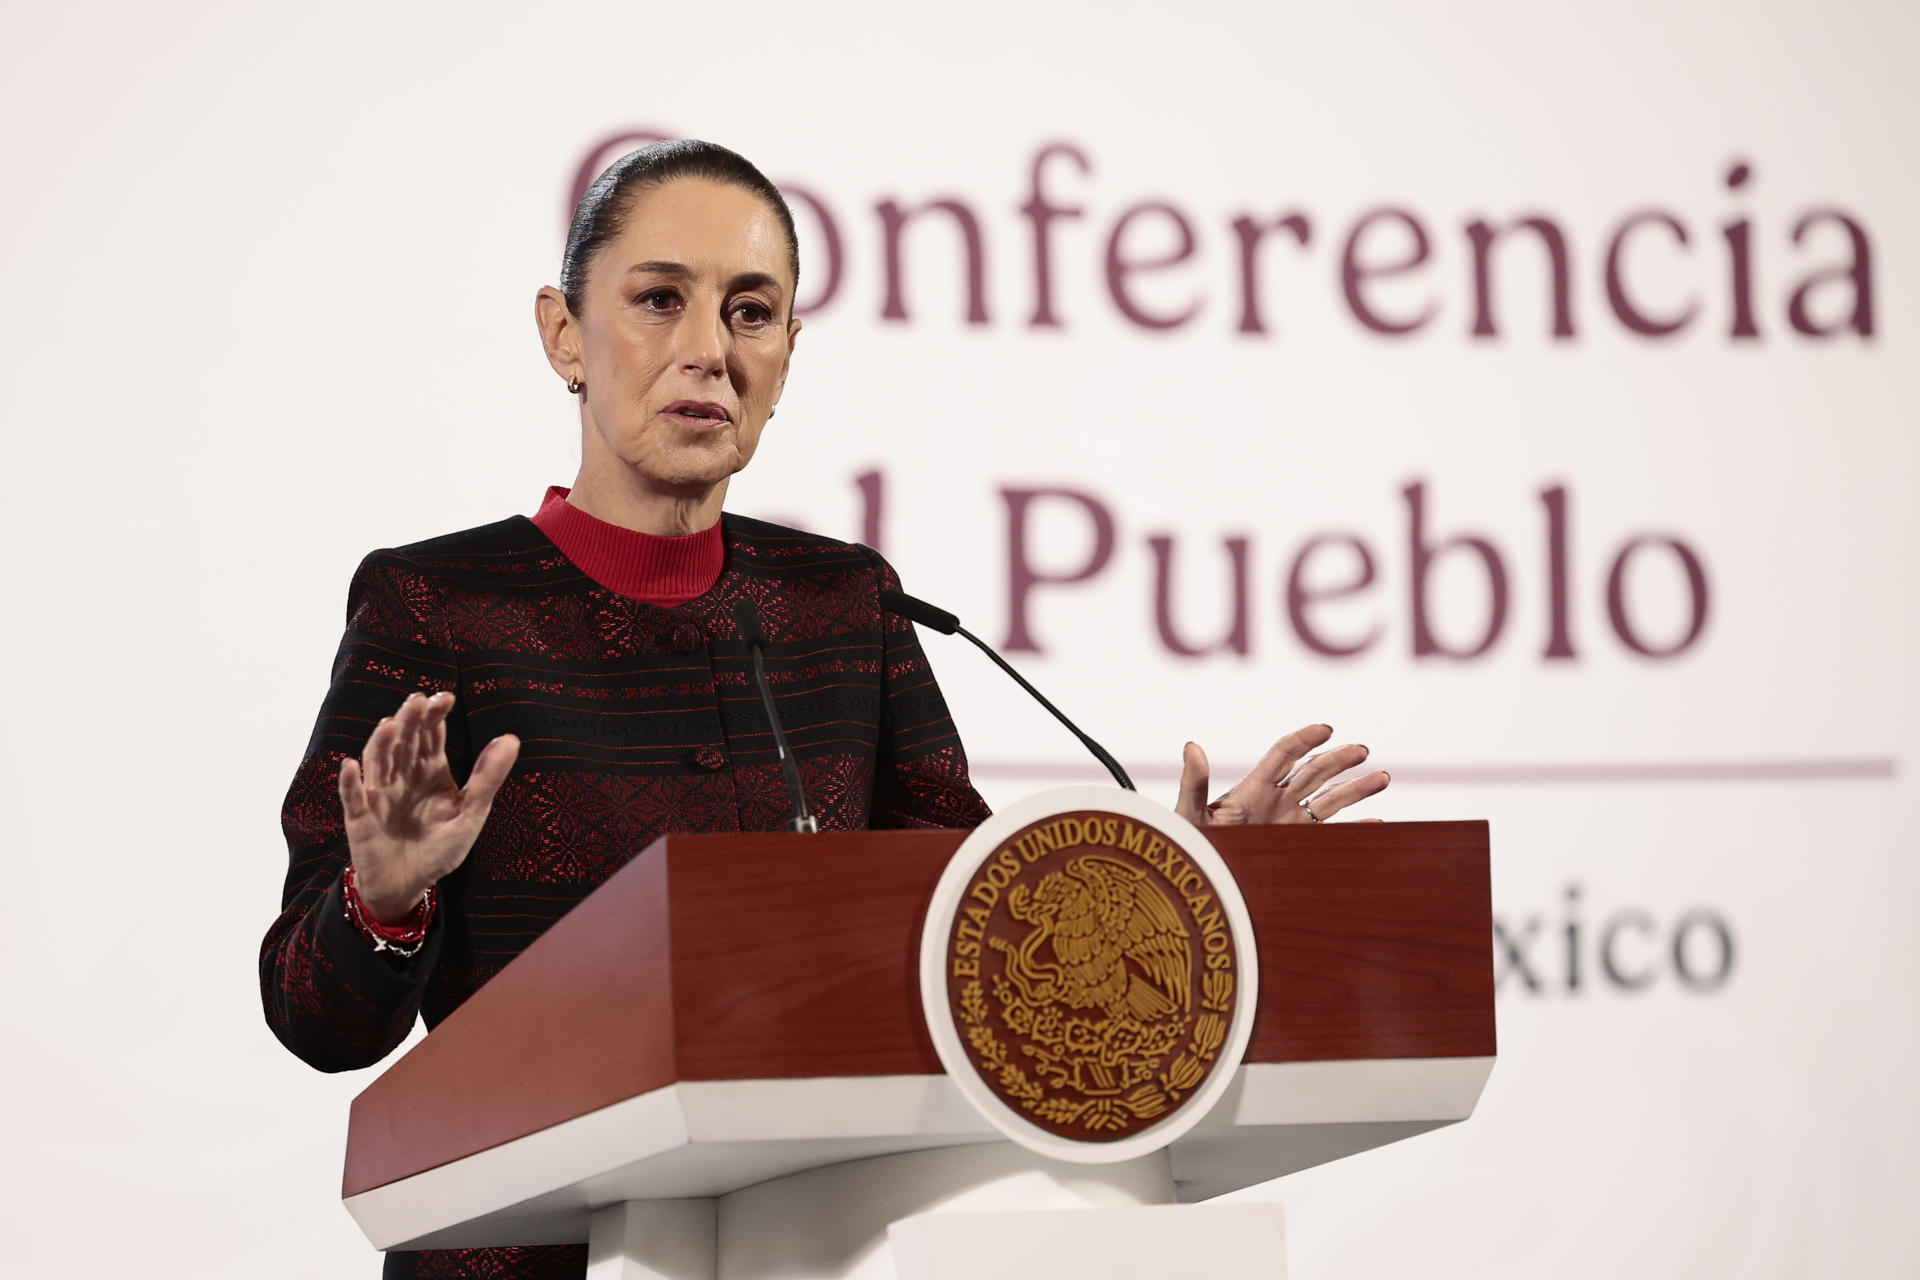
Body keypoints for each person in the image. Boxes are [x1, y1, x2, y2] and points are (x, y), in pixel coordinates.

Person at [259, 139, 1389, 1280]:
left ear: (788, 356)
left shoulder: (841, 602)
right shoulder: (440, 605)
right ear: (564, 334)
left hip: (811, 1241)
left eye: (752, 314)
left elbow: (974, 924)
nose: (709, 350)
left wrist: (1166, 892)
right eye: (660, 300)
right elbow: (314, 1017)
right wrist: (385, 897)